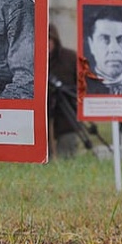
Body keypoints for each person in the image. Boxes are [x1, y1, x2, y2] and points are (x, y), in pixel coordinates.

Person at [83, 5, 122, 95]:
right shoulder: (83, 88)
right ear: (91, 44)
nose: (113, 49)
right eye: (104, 39)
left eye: (121, 40)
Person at [48, 24, 81, 158]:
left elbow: (82, 85)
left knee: (67, 156)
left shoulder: (70, 58)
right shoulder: (32, 61)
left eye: (50, 40)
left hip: (67, 116)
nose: (47, 44)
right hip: (41, 120)